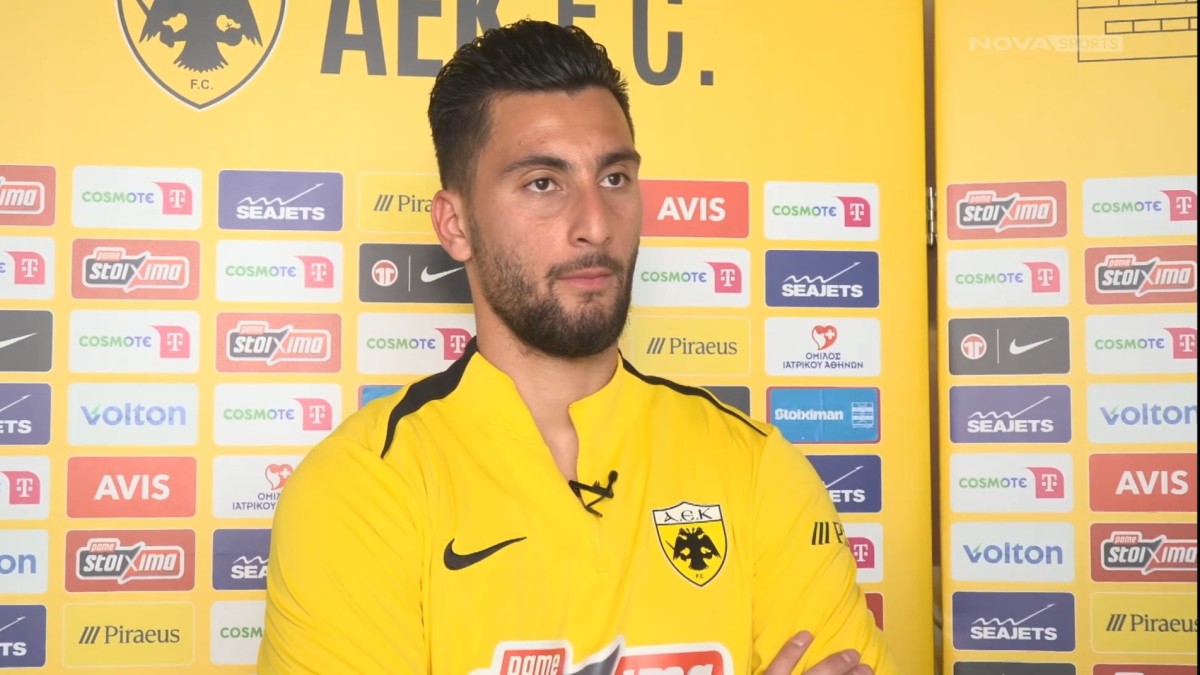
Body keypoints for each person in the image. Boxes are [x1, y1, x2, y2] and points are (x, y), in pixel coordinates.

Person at [258, 19, 899, 675]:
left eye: (615, 178)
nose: (596, 224)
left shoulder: (757, 467)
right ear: (455, 224)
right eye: (543, 182)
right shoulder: (361, 486)